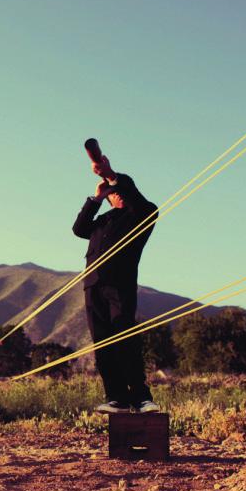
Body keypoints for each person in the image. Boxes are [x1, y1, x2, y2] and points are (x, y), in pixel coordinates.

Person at [72, 139, 159, 414]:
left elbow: (137, 199)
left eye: (118, 190)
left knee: (124, 337)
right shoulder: (102, 221)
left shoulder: (141, 215)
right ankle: (117, 397)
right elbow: (78, 228)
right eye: (112, 192)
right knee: (102, 343)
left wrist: (110, 175)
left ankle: (142, 397)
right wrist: (96, 197)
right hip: (93, 288)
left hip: (119, 287)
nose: (115, 194)